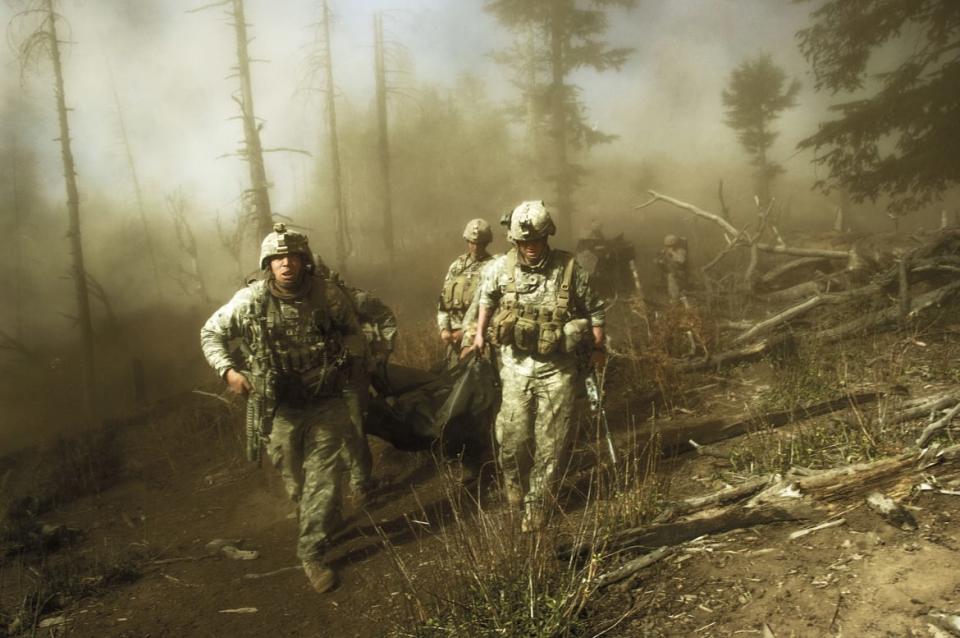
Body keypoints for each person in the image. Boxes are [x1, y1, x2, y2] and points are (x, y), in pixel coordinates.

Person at [200, 223, 368, 594]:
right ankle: (324, 513)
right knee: (296, 481)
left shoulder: (328, 295)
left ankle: (311, 553)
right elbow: (210, 333)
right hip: (279, 408)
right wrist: (229, 371)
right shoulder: (251, 301)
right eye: (277, 258)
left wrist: (348, 363)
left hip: (326, 401)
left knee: (322, 477)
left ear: (304, 260)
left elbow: (353, 331)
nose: (286, 264)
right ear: (267, 264)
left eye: (292, 256)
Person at [471, 201, 606, 532]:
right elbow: (487, 300)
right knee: (513, 439)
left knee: (553, 441)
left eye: (537, 241)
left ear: (548, 237)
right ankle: (514, 483)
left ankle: (537, 503)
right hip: (515, 367)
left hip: (558, 369)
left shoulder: (570, 268)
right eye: (524, 243)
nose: (531, 248)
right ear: (515, 241)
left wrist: (599, 347)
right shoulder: (501, 269)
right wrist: (478, 335)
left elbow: (596, 309)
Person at [437, 219, 494, 367]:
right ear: (467, 241)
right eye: (472, 242)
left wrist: (466, 333)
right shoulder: (457, 267)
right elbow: (443, 302)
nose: (475, 247)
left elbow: (490, 309)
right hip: (453, 338)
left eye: (480, 243)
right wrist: (444, 329)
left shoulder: (493, 268)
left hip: (478, 339)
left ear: (487, 243)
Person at [655, 234, 689, 303]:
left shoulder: (681, 251)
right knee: (669, 278)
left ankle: (675, 299)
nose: (668, 247)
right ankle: (673, 297)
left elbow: (681, 260)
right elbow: (663, 260)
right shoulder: (666, 251)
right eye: (667, 246)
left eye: (670, 246)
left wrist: (672, 253)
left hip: (681, 273)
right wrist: (659, 261)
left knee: (671, 278)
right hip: (672, 271)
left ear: (675, 244)